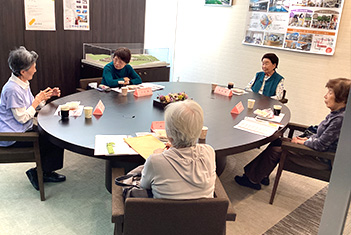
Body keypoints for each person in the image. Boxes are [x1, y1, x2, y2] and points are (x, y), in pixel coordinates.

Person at [236, 78, 351, 190]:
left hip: (321, 158)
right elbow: (321, 135)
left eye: (330, 93)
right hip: (317, 150)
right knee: (277, 141)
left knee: (275, 151)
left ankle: (252, 180)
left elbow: (321, 145)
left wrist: (303, 142)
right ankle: (261, 175)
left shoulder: (340, 119)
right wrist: (304, 139)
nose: (325, 96)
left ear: (342, 98)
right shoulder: (337, 114)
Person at [0, 46, 66, 191]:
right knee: (52, 139)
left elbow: (31, 107)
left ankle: (45, 171)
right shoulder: (12, 89)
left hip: (22, 128)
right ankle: (38, 173)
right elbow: (22, 118)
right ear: (23, 71)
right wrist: (37, 101)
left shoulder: (22, 82)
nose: (35, 70)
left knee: (56, 134)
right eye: (33, 67)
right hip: (13, 135)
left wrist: (45, 97)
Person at [140, 100, 216, 199]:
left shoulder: (155, 161)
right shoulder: (209, 151)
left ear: (169, 135)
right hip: (204, 213)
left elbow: (143, 185)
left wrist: (157, 155)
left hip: (163, 213)